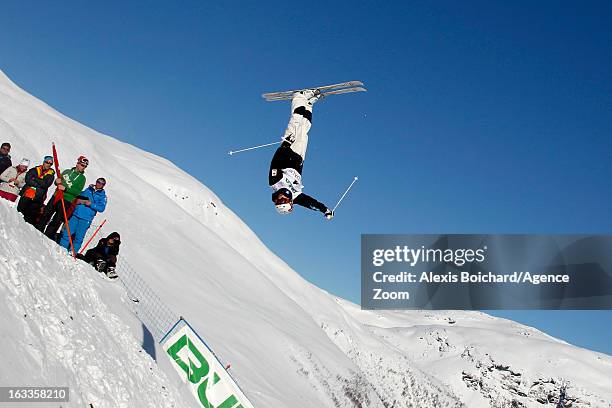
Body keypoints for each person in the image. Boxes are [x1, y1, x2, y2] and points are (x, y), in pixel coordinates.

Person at [268, 90, 333, 219]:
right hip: (299, 157)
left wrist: (285, 146)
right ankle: (308, 104)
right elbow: (310, 203)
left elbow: (275, 161)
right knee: (305, 129)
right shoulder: (296, 196)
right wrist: (325, 210)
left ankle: (298, 97)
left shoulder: (275, 182)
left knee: (296, 122)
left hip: (288, 149)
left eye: (279, 201)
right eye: (284, 201)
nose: (281, 198)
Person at [37, 156, 88, 240]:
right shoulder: (67, 171)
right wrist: (56, 182)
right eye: (82, 165)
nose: (83, 167)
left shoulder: (82, 178)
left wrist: (66, 189)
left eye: (85, 166)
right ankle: (38, 230)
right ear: (77, 163)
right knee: (46, 213)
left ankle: (47, 236)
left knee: (57, 220)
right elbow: (58, 181)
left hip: (67, 200)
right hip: (56, 196)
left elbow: (77, 192)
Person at [59, 177, 107, 253]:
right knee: (67, 232)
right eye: (98, 182)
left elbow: (101, 208)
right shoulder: (88, 189)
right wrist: (78, 201)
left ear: (103, 185)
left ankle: (73, 252)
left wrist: (91, 204)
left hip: (86, 218)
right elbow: (79, 195)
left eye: (102, 183)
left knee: (79, 237)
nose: (99, 184)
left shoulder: (102, 196)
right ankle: (62, 248)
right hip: (76, 214)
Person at [17, 156, 55, 225]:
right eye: (47, 162)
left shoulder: (51, 175)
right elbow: (28, 179)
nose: (48, 164)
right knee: (19, 213)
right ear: (44, 162)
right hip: (26, 195)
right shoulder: (34, 169)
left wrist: (35, 179)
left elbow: (45, 184)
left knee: (29, 219)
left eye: (50, 163)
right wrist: (40, 183)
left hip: (37, 198)